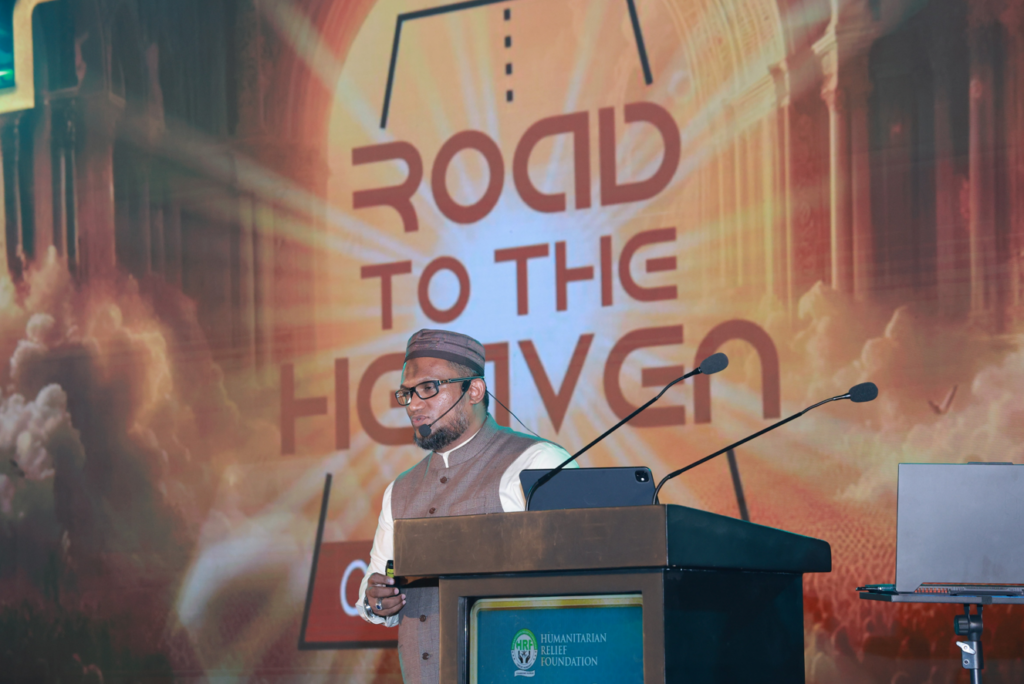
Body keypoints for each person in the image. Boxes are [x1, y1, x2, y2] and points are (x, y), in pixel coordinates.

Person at [357, 329, 575, 684]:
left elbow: (581, 582)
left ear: (474, 390)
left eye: (429, 388)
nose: (413, 405)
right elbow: (376, 587)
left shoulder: (538, 462)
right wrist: (377, 601)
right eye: (407, 393)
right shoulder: (400, 490)